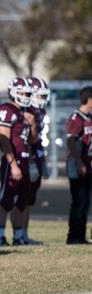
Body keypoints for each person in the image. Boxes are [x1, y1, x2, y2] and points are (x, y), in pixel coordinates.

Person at [0, 77, 37, 247]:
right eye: (22, 93)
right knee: (6, 201)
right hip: (13, 160)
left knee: (22, 201)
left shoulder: (27, 112)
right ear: (13, 93)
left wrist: (32, 124)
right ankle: (0, 237)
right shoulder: (7, 110)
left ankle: (18, 236)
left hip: (25, 159)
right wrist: (12, 164)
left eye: (27, 93)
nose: (25, 96)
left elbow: (32, 140)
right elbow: (4, 140)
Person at [25, 77, 51, 245]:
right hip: (26, 157)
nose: (42, 99)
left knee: (30, 198)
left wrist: (43, 161)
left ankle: (23, 234)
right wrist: (31, 161)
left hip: (36, 155)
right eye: (39, 95)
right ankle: (16, 234)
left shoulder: (40, 112)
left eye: (44, 96)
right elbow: (24, 139)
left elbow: (38, 140)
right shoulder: (26, 112)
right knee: (20, 199)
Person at [65, 86, 92, 244]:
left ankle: (81, 235)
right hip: (77, 165)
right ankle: (73, 236)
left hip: (88, 164)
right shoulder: (77, 117)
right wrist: (79, 161)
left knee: (86, 202)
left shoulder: (90, 118)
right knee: (79, 201)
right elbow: (71, 141)